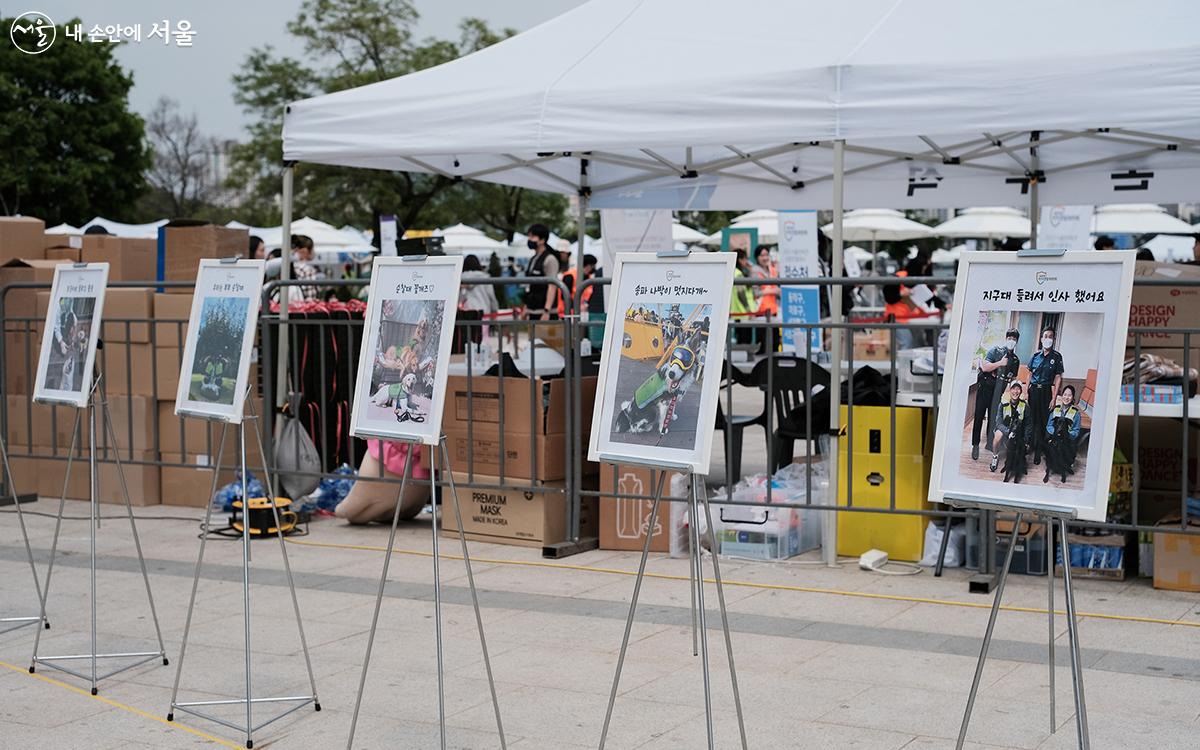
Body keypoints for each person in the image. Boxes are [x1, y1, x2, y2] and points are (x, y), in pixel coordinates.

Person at [971, 328, 1020, 460]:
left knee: (993, 418)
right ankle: (975, 445)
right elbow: (985, 367)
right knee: (979, 416)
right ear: (1006, 338)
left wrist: (1014, 393)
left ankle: (989, 443)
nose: (1011, 341)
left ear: (1017, 342)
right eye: (1009, 338)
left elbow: (1012, 378)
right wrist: (1000, 363)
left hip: (998, 392)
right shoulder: (995, 350)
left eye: (1014, 339)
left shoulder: (1015, 360)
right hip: (985, 388)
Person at [1025, 327, 1065, 466]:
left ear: (1053, 340)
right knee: (1031, 420)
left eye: (1050, 336)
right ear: (1041, 339)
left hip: (1046, 392)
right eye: (1045, 336)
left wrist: (1054, 398)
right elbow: (1029, 374)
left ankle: (1038, 450)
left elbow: (1058, 377)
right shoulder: (1036, 356)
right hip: (1033, 391)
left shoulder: (1057, 357)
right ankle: (1029, 445)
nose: (1047, 339)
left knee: (1042, 422)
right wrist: (1025, 391)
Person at [1043, 384, 1082, 484]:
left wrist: (1066, 434)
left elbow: (1076, 431)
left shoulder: (1076, 413)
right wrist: (1055, 433)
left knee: (1066, 449)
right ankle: (1049, 468)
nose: (1066, 397)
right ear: (1062, 395)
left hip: (1067, 440)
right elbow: (1049, 426)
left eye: (1069, 395)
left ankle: (1066, 467)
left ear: (1073, 397)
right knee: (1048, 446)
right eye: (1065, 394)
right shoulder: (1055, 409)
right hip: (1055, 438)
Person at [991, 380, 1028, 482]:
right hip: (1005, 429)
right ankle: (994, 457)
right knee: (997, 436)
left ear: (1020, 391)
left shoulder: (1024, 405)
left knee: (1019, 450)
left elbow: (1028, 424)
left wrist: (1026, 439)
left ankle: (1017, 467)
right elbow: (998, 423)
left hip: (1018, 432)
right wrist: (1008, 432)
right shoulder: (1002, 404)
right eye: (1013, 388)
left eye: (1018, 389)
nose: (1015, 391)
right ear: (1010, 390)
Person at [523, 224, 559, 320]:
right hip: (533, 310)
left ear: (542, 240)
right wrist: (526, 307)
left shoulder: (550, 259)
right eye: (529, 236)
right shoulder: (533, 259)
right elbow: (530, 286)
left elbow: (552, 286)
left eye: (533, 237)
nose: (529, 239)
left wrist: (547, 311)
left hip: (545, 312)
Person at [751, 245, 780, 352]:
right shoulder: (755, 271)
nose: (765, 258)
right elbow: (755, 292)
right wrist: (772, 291)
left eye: (766, 255)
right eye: (762, 255)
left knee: (775, 342)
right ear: (757, 257)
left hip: (773, 311)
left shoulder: (772, 270)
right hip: (761, 311)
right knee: (765, 343)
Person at [730, 249, 756, 346]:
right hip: (743, 312)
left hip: (737, 312)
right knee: (745, 341)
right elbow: (741, 294)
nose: (747, 261)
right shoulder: (739, 274)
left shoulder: (733, 271)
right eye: (745, 259)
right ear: (740, 260)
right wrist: (748, 310)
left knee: (740, 339)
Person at [290, 234, 320, 300]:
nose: (314, 251)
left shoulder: (289, 266)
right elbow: (311, 297)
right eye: (312, 248)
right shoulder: (308, 269)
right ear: (305, 250)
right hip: (303, 308)